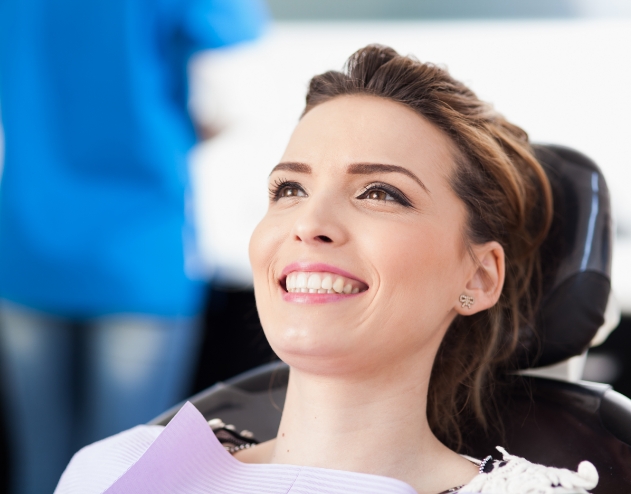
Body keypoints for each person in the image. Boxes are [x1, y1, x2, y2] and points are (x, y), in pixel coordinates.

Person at [54, 45, 599, 494]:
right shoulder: (109, 470)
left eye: (380, 192)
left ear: (478, 277)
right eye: (289, 189)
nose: (310, 222)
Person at [0, 1, 268, 493]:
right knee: (128, 477)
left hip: (27, 241)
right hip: (140, 250)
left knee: (40, 471)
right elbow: (229, 103)